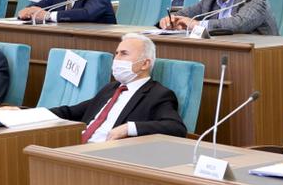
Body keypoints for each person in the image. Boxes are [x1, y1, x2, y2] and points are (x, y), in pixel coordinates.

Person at [52, 34, 187, 141]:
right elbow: (71, 112)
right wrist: (40, 114)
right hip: (76, 145)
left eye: (124, 53)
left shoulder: (158, 95)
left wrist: (128, 128)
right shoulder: (111, 89)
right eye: (116, 53)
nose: (116, 59)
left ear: (145, 64)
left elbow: (176, 127)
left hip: (107, 152)